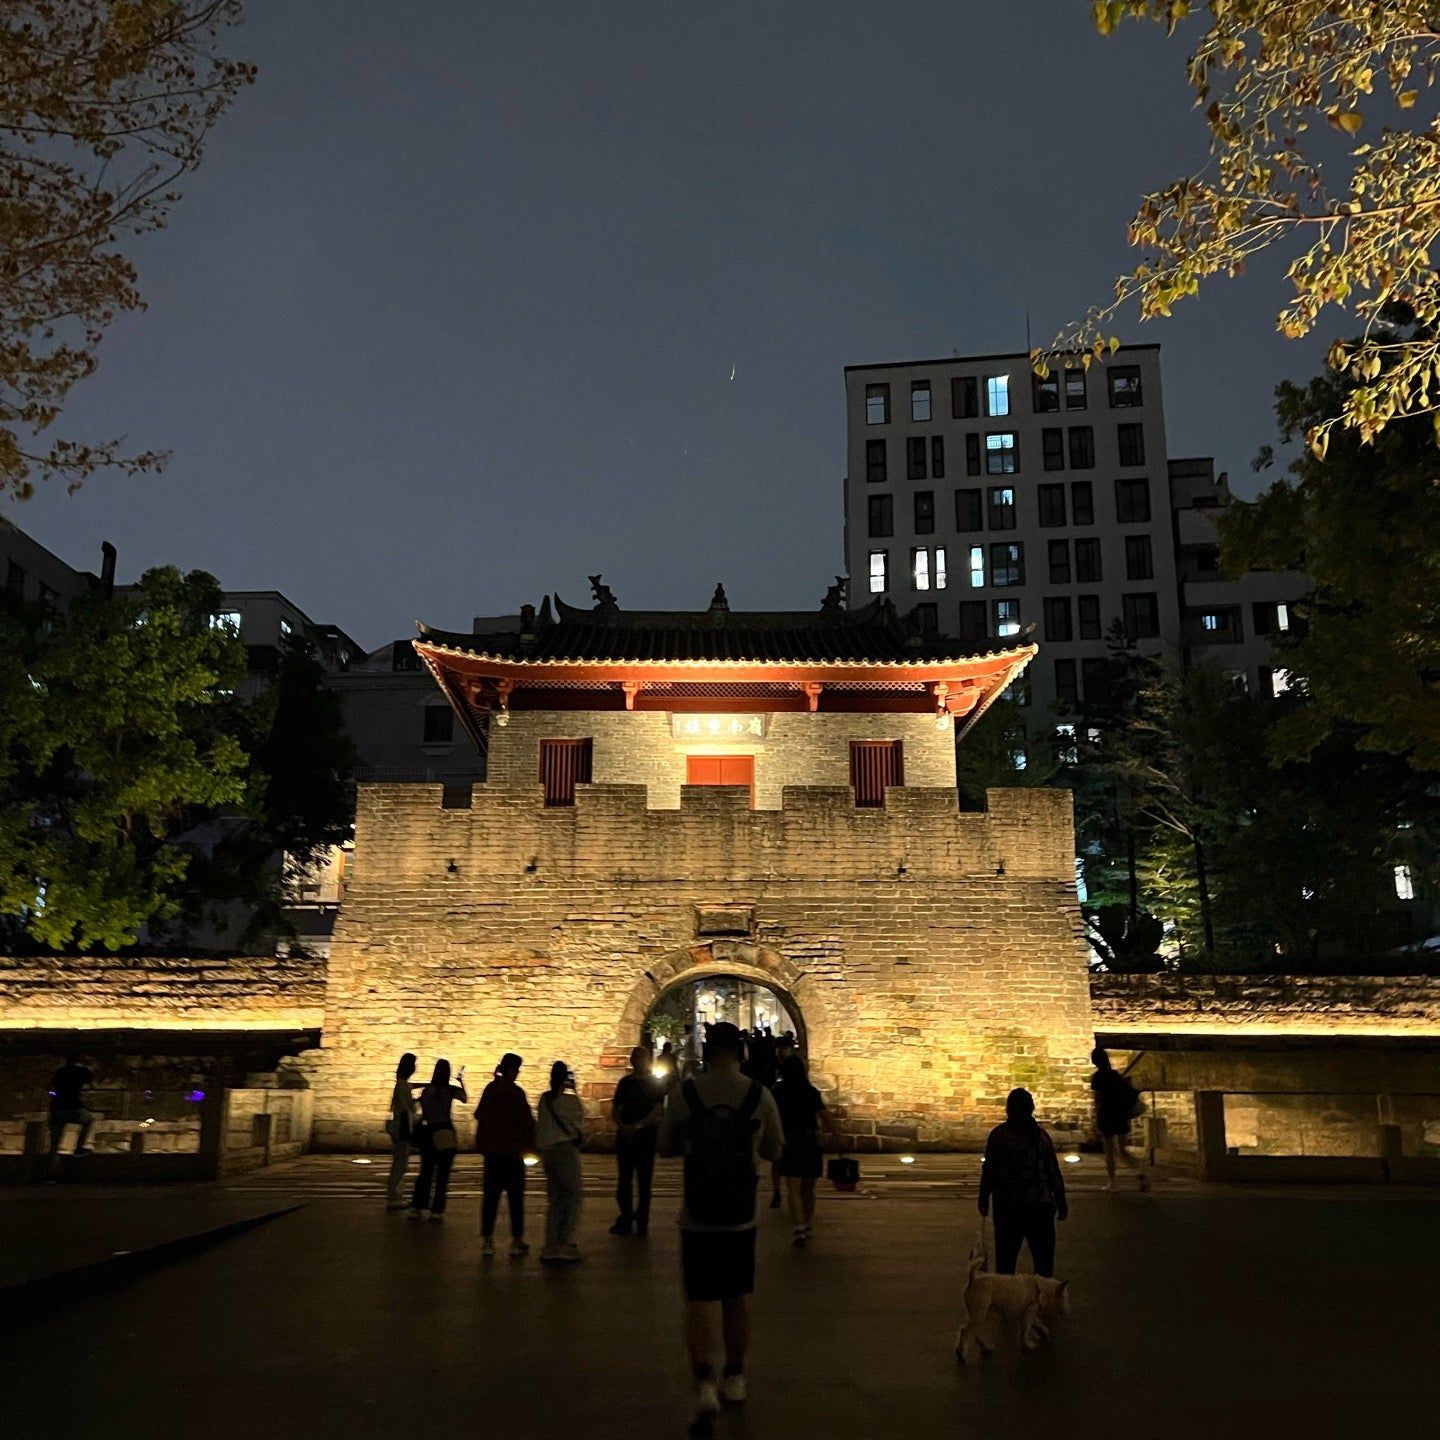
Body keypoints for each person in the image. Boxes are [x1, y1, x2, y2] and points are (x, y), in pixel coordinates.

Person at [658, 1021, 784, 1434]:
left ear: (706, 1050)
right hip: (740, 1215)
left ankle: (703, 1381)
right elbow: (774, 1148)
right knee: (736, 1298)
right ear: (741, 1052)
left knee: (698, 1300)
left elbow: (667, 1146)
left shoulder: (685, 1092)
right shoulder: (758, 1093)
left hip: (698, 1215)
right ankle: (735, 1376)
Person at [977, 1087, 1068, 1277]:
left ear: (1008, 1109)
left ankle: (1008, 1303)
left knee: (1005, 1263)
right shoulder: (1042, 1137)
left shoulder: (999, 1136)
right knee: (1043, 1266)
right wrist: (1060, 1200)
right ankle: (1041, 1303)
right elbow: (1053, 1171)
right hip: (1040, 1206)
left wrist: (984, 1198)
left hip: (1008, 1206)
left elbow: (989, 1171)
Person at [772, 1053, 841, 1245]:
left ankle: (798, 1228)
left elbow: (772, 1117)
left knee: (792, 1187)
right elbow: (824, 1115)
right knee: (808, 1188)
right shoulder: (810, 1091)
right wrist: (837, 1135)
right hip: (809, 1141)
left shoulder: (778, 1091)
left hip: (789, 1141)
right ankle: (808, 1223)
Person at [473, 1052, 537, 1256]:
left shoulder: (491, 1090)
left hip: (493, 1153)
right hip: (511, 1152)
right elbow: (526, 1122)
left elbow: (479, 1114)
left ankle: (487, 1240)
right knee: (515, 1198)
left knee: (491, 1198)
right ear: (511, 1070)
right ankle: (516, 1240)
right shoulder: (516, 1093)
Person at [611, 1046, 664, 1236]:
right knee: (625, 1180)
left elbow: (657, 1110)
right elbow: (616, 1108)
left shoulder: (652, 1083)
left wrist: (636, 1126)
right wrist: (623, 1125)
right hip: (629, 1135)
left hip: (643, 1136)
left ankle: (641, 1221)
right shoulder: (625, 1083)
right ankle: (626, 1218)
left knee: (643, 1181)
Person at [536, 1060, 585, 1264]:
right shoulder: (570, 1101)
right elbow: (579, 1118)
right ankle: (565, 1243)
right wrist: (573, 1090)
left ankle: (551, 1244)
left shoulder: (544, 1099)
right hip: (565, 1151)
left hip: (548, 1153)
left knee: (555, 1199)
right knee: (572, 1198)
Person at [409, 1059, 467, 1220]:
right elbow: (464, 1098)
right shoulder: (450, 1090)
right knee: (443, 1174)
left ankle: (418, 1205)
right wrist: (461, 1081)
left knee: (426, 1171)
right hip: (445, 1131)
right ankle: (437, 1210)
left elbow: (418, 1107)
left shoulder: (427, 1091)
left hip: (428, 1131)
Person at [1090, 1047, 1150, 1191]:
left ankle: (1113, 1182)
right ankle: (1140, 1170)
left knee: (1109, 1151)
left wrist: (1095, 1118)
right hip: (1121, 1114)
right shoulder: (1115, 1075)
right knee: (1122, 1149)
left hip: (1106, 1114)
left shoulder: (1097, 1077)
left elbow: (1097, 1100)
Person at [385, 1052, 422, 1210]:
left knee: (400, 1162)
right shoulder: (402, 1085)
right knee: (400, 1163)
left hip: (401, 1128)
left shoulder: (401, 1084)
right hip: (403, 1129)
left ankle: (396, 1194)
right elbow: (406, 1109)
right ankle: (394, 1196)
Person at [767, 1032, 797, 1209]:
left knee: (782, 1160)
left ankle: (786, 1192)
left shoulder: (792, 1065)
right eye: (777, 1049)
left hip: (789, 1120)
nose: (779, 1053)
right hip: (782, 1120)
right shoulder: (776, 1066)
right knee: (778, 1159)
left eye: (781, 1049)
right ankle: (778, 1191)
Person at [48, 1053, 96, 1158]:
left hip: (57, 1106)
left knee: (56, 1132)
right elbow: (91, 1082)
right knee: (89, 1120)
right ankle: (79, 1147)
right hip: (74, 1105)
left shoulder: (60, 1072)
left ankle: (53, 1154)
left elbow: (51, 1088)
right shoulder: (82, 1071)